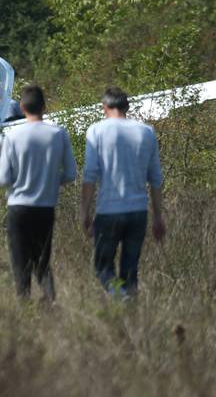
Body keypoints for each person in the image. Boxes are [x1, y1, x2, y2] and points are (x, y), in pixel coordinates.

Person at [80, 86, 166, 297]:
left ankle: (122, 299)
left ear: (104, 107)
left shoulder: (96, 131)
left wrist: (85, 212)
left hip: (109, 210)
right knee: (130, 272)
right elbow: (155, 178)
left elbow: (90, 175)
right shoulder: (146, 131)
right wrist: (157, 216)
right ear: (127, 107)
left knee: (103, 269)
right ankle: (131, 315)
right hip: (138, 211)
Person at [0, 85, 78, 302]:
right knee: (42, 261)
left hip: (19, 207)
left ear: (21, 107)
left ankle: (24, 304)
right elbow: (70, 174)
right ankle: (51, 301)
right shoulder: (58, 134)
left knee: (20, 261)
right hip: (45, 207)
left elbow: (3, 177)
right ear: (44, 106)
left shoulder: (12, 136)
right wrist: (50, 182)